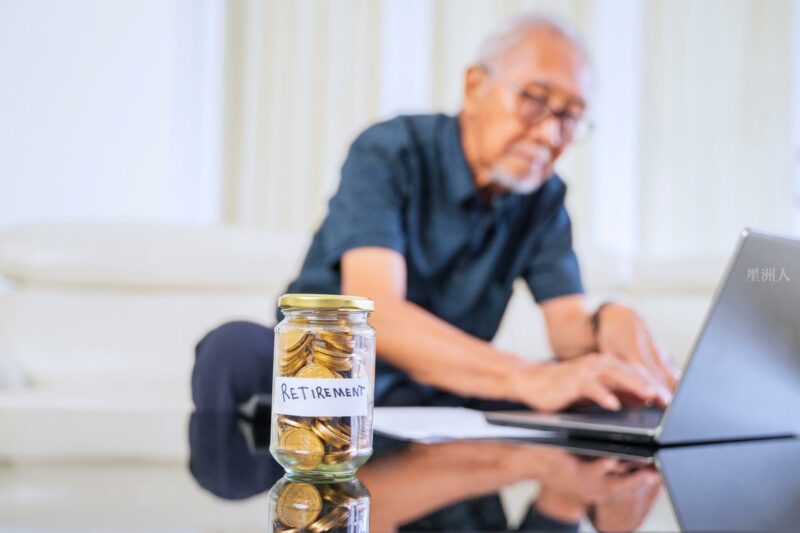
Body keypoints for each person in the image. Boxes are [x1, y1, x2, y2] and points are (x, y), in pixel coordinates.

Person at [192, 14, 676, 412]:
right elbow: (377, 314)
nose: (551, 134)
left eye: (570, 116)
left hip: (444, 389)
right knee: (232, 350)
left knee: (589, 397)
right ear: (475, 87)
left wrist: (608, 320)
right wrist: (527, 378)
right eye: (534, 100)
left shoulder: (544, 198)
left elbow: (568, 328)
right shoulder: (389, 151)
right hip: (332, 375)